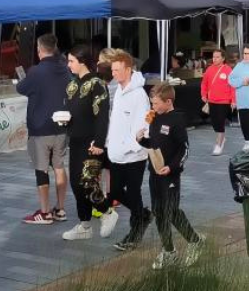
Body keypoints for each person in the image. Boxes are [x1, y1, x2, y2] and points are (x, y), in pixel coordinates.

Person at [136, 84, 203, 270]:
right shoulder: (155, 118)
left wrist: (172, 167)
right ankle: (169, 250)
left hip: (170, 175)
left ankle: (195, 241)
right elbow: (155, 143)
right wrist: (142, 140)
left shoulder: (177, 120)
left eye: (156, 103)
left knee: (171, 211)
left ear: (168, 101)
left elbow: (184, 148)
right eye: (152, 102)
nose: (153, 106)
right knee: (159, 212)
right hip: (154, 173)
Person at [16, 34, 72, 225]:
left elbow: (21, 89)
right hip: (62, 125)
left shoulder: (36, 71)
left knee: (41, 169)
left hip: (40, 127)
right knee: (59, 166)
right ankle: (61, 208)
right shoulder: (65, 69)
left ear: (39, 50)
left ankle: (45, 211)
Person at [60, 46, 110, 241]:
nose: (68, 65)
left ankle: (106, 211)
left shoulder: (97, 83)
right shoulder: (72, 85)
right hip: (76, 139)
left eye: (71, 61)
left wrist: (99, 141)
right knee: (75, 182)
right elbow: (74, 112)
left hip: (91, 142)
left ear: (82, 62)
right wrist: (64, 121)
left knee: (87, 182)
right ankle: (84, 224)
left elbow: (102, 115)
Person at [104, 52, 151, 251]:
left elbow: (142, 126)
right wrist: (109, 144)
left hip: (134, 155)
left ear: (128, 69)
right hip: (116, 154)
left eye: (117, 70)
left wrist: (130, 147)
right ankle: (143, 215)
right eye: (112, 70)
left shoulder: (139, 95)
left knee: (133, 192)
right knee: (114, 191)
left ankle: (135, 231)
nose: (114, 74)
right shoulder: (118, 91)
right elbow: (115, 122)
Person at [201, 49, 236, 156]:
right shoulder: (209, 69)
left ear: (223, 58)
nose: (214, 59)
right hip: (212, 100)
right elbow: (204, 83)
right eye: (213, 56)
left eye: (217, 57)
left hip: (224, 101)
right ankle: (221, 137)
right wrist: (203, 94)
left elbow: (233, 86)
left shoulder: (228, 70)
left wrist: (233, 100)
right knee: (215, 122)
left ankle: (219, 143)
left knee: (220, 121)